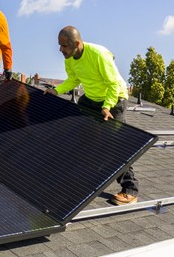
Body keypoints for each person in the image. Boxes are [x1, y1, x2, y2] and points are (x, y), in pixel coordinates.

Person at [44, 25, 138, 205]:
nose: (60, 50)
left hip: (114, 100)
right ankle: (83, 179)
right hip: (92, 99)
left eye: (64, 46)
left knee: (115, 145)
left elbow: (112, 84)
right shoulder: (70, 58)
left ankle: (130, 189)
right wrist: (56, 91)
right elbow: (73, 79)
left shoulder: (98, 55)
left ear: (77, 43)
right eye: (59, 45)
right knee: (83, 137)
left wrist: (107, 106)